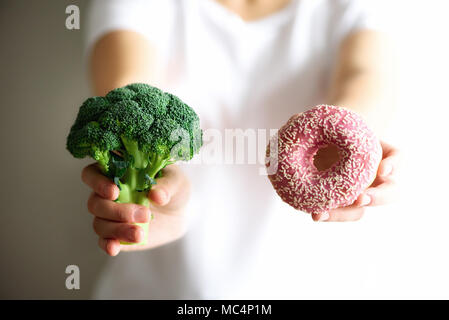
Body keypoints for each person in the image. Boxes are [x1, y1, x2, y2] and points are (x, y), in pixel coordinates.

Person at [82, 0, 399, 299]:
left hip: (313, 287)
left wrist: (356, 148)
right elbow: (128, 96)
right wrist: (155, 187)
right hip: (157, 288)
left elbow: (366, 76)